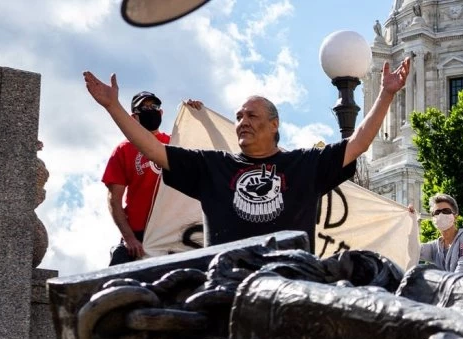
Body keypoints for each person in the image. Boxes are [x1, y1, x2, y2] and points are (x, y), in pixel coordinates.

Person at [82, 56, 411, 248]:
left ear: (273, 125)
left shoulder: (304, 165)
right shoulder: (211, 166)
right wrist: (113, 107)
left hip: (290, 288)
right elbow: (154, 149)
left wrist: (385, 95)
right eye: (239, 117)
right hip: (227, 291)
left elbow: (358, 145)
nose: (242, 123)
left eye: (252, 116)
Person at [101, 91, 203, 265]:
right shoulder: (123, 150)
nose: (151, 110)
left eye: (154, 106)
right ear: (134, 116)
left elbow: (206, 154)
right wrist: (129, 239)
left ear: (161, 113)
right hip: (140, 237)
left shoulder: (175, 144)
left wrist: (197, 117)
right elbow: (114, 201)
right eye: (145, 107)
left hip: (175, 233)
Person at [419, 193, 463, 277]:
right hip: (449, 289)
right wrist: (411, 219)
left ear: (455, 217)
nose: (441, 215)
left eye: (446, 211)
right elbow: (412, 250)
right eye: (437, 212)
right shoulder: (436, 247)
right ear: (433, 219)